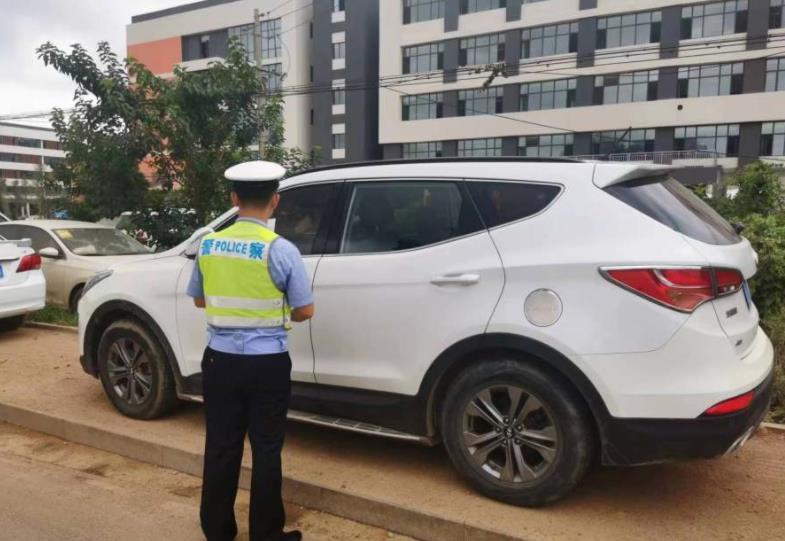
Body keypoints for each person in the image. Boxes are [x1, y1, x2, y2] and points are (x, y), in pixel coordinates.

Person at [187, 160, 315, 541]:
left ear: (233, 198)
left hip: (219, 361)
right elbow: (305, 310)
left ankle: (217, 530)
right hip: (267, 364)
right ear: (275, 201)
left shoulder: (209, 245)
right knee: (266, 448)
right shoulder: (281, 250)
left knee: (221, 446)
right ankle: (266, 534)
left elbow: (199, 300)